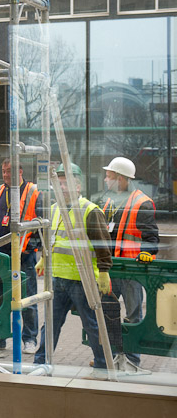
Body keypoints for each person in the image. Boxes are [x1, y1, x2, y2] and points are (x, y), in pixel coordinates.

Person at [34, 163, 113, 376]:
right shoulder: (53, 210)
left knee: (92, 325)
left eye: (66, 183)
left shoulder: (89, 210)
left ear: (77, 186)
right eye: (58, 184)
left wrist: (104, 271)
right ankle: (40, 363)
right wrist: (44, 258)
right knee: (50, 325)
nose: (62, 188)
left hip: (82, 279)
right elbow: (50, 239)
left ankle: (102, 366)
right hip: (58, 278)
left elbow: (102, 244)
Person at [99, 157, 159, 372]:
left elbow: (152, 240)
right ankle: (116, 356)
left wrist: (145, 254)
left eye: (109, 176)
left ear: (121, 179)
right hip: (111, 269)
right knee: (110, 314)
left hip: (131, 271)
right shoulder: (108, 202)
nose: (106, 179)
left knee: (133, 316)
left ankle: (132, 360)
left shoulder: (141, 203)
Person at [0, 159, 41, 356]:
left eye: (9, 171)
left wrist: (30, 247)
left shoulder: (33, 192)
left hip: (23, 256)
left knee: (27, 299)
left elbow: (40, 225)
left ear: (20, 171)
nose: (6, 175)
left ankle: (30, 339)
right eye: (3, 171)